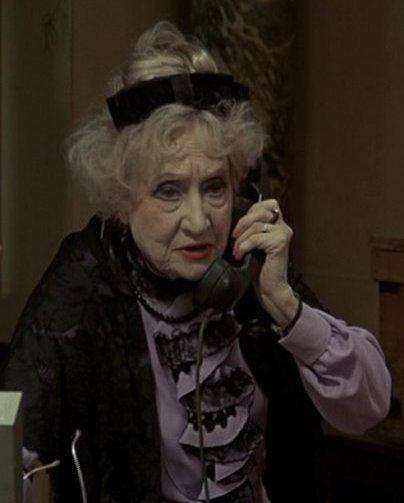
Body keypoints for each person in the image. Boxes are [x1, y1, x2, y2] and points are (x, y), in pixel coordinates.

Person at [0, 21, 391, 503]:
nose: (200, 221)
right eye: (169, 190)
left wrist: (286, 307)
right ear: (121, 199)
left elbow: (368, 409)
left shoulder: (249, 254)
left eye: (214, 187)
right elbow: (13, 447)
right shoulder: (84, 279)